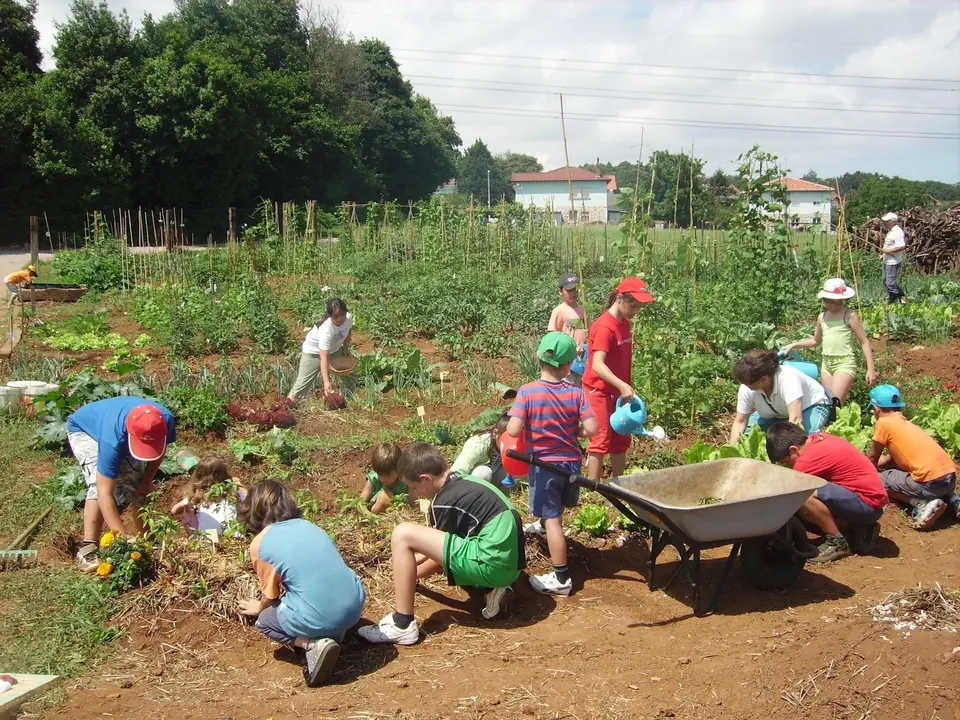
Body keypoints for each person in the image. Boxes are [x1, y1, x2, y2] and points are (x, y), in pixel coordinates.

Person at [357, 443, 524, 645]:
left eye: (414, 486)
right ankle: (494, 590)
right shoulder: (465, 480)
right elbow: (444, 546)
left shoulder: (442, 501)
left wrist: (408, 574)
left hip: (493, 564)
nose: (415, 493)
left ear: (426, 479)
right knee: (464, 545)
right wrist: (410, 563)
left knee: (402, 533)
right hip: (510, 565)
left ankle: (402, 624)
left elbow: (438, 558)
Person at [238, 479, 365, 687]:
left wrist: (259, 607)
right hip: (355, 606)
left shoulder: (260, 544)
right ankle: (335, 633)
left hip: (321, 616)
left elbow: (271, 596)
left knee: (264, 621)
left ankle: (312, 644)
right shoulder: (310, 526)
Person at [507, 332, 597, 596]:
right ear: (569, 366)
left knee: (553, 519)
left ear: (538, 358)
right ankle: (546, 528)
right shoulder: (575, 393)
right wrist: (574, 432)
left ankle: (561, 578)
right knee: (555, 511)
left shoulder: (527, 392)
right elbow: (592, 428)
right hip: (569, 464)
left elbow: (513, 430)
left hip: (544, 465)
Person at [66, 397, 176, 572]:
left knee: (137, 482)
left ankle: (148, 539)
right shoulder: (112, 440)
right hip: (85, 430)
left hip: (123, 426)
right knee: (96, 485)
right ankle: (88, 547)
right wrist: (122, 538)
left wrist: (147, 481)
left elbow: (159, 450)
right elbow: (104, 493)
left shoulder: (164, 420)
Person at [766, 422, 888, 563]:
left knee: (804, 494)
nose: (789, 466)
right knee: (805, 509)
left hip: (868, 504)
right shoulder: (818, 439)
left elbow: (786, 492)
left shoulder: (807, 460)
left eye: (786, 461)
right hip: (870, 500)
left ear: (794, 450)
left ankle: (837, 542)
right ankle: (858, 530)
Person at [581, 277, 655, 480]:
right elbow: (597, 364)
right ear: (620, 299)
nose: (636, 311)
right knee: (600, 438)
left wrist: (623, 387)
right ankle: (593, 489)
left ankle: (620, 486)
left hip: (617, 391)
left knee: (621, 438)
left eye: (639, 307)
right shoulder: (605, 326)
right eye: (633, 305)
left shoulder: (624, 324)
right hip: (599, 390)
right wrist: (622, 384)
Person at [866, 385, 959, 531]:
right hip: (950, 479)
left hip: (929, 484)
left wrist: (864, 474)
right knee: (932, 475)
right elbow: (890, 458)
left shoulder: (883, 423)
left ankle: (920, 504)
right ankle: (954, 500)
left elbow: (872, 458)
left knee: (878, 480)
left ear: (877, 409)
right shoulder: (905, 423)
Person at [781, 278, 878, 404]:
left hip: (844, 362)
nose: (830, 305)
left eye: (834, 302)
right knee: (826, 403)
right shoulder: (822, 317)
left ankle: (842, 422)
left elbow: (864, 341)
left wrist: (870, 369)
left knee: (835, 403)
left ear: (842, 300)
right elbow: (816, 341)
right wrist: (794, 344)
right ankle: (838, 423)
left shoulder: (849, 315)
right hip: (826, 364)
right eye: (827, 301)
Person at [729, 349, 832, 444]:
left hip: (810, 406)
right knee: (748, 432)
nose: (745, 386)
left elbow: (795, 420)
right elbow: (741, 421)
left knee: (804, 438)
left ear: (763, 379)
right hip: (778, 412)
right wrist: (731, 450)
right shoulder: (747, 386)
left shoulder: (788, 379)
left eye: (748, 383)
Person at [288, 298, 354, 402]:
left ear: (346, 311)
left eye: (342, 314)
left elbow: (348, 330)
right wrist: (326, 381)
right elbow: (324, 357)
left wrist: (345, 347)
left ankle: (347, 400)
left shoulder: (348, 318)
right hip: (313, 353)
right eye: (335, 316)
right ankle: (287, 407)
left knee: (350, 374)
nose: (340, 319)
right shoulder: (326, 329)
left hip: (334, 350)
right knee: (301, 385)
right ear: (330, 316)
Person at [170, 456, 245, 536]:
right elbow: (247, 499)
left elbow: (174, 510)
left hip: (207, 537)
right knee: (241, 506)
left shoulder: (197, 494)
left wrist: (190, 508)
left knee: (187, 509)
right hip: (233, 535)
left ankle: (195, 536)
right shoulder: (233, 491)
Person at [450, 411, 512, 487]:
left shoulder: (516, 446)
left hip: (493, 476)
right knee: (483, 472)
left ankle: (495, 495)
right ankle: (475, 497)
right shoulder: (478, 444)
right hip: (471, 481)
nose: (511, 443)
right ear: (496, 433)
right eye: (507, 438)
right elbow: (457, 472)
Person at [548, 272, 589, 385]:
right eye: (569, 290)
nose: (573, 293)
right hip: (568, 360)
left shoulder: (583, 310)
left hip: (584, 358)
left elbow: (590, 331)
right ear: (560, 291)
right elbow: (552, 337)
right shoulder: (559, 311)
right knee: (569, 387)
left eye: (575, 289)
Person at [360, 443, 407, 514]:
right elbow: (360, 502)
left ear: (398, 469)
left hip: (398, 512)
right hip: (374, 511)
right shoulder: (374, 478)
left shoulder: (405, 481)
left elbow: (414, 503)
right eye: (379, 474)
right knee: (385, 496)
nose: (382, 479)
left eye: (388, 475)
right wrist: (368, 515)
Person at [880, 212, 907, 305]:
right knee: (886, 281)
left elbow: (901, 246)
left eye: (886, 221)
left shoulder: (897, 232)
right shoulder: (890, 231)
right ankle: (903, 300)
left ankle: (894, 301)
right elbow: (890, 245)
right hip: (887, 260)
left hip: (893, 262)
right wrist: (883, 255)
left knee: (890, 284)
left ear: (892, 222)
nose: (884, 223)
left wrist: (888, 251)